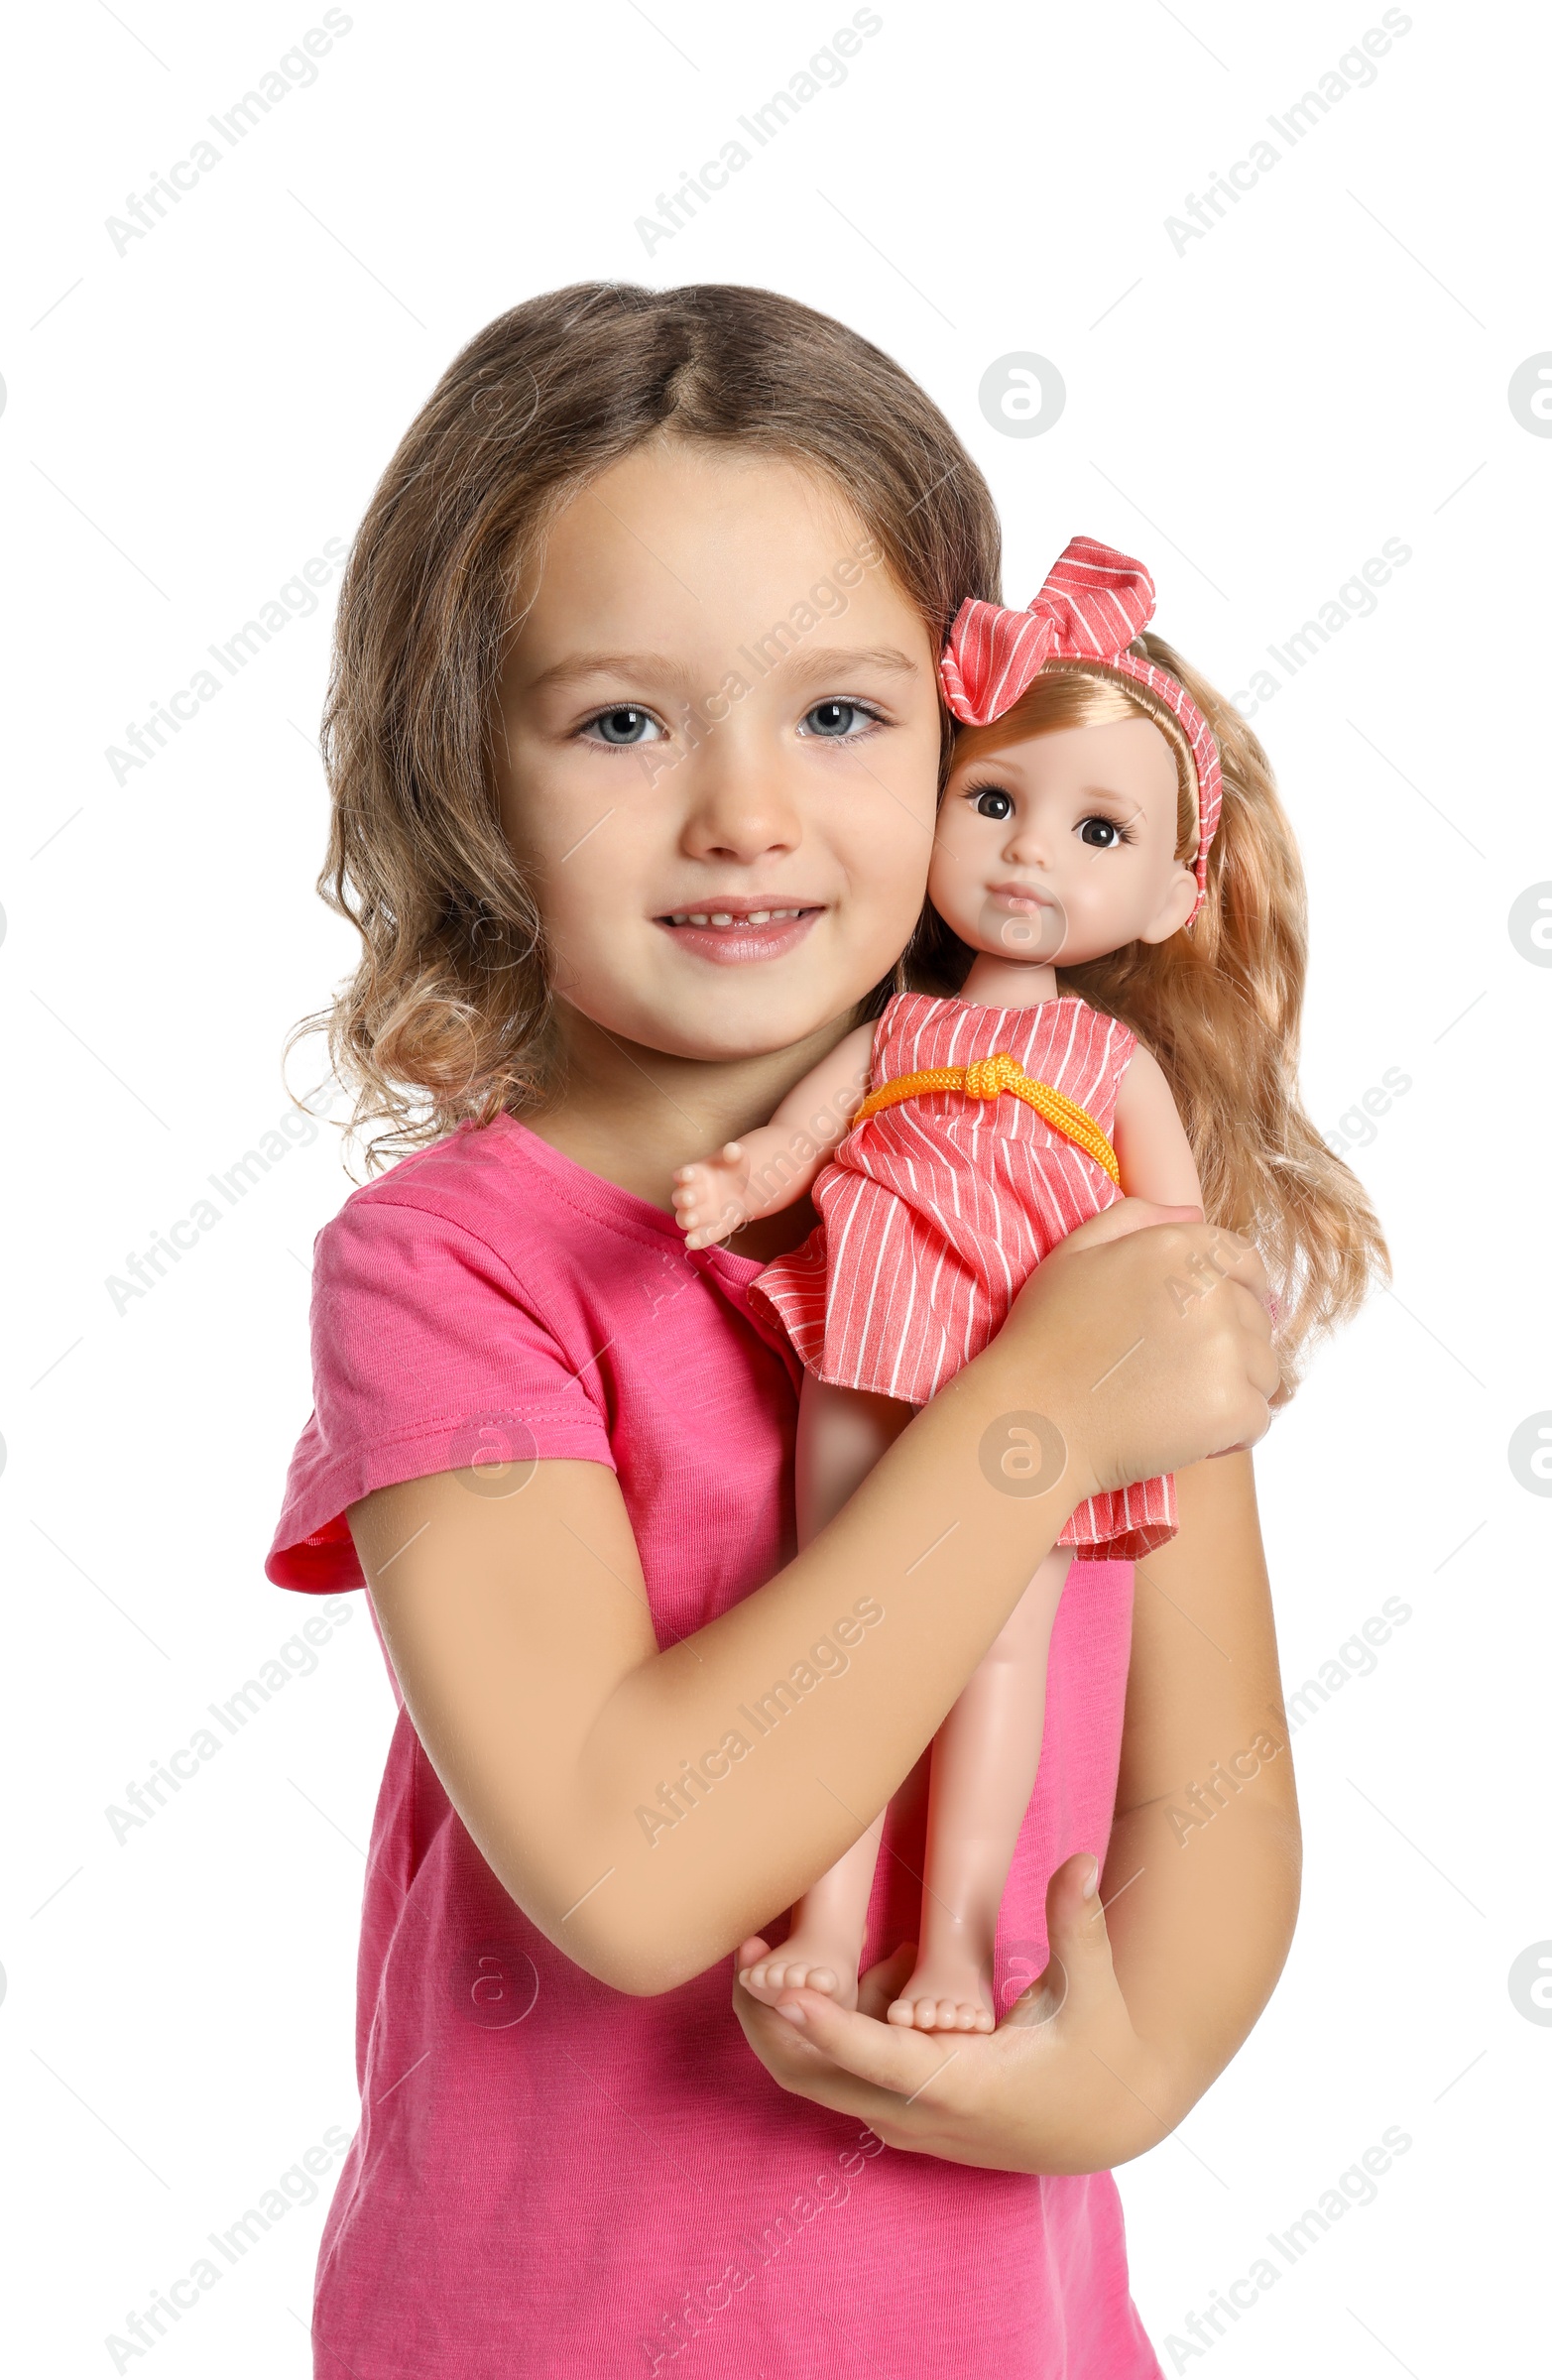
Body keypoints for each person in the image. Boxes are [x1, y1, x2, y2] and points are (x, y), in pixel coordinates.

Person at [267, 281, 1284, 2379]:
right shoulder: (451, 1271)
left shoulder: (1086, 1220)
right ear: (464, 770)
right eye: (623, 721)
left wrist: (1114, 2084)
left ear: (966, 744)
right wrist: (1025, 1421)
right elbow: (634, 1869)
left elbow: (1218, 1807)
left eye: (837, 716)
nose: (743, 814)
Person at [672, 536, 1384, 2034]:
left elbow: (1173, 1257)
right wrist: (749, 1180)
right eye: (992, 803)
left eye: (1097, 833)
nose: (1026, 857)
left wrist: (1213, 1347)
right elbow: (806, 1136)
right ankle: (825, 1914)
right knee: (836, 1612)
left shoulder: (1112, 1064)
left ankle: (950, 1946)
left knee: (997, 1656)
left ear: (1177, 898)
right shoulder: (903, 1032)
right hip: (872, 1336)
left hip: (1040, 1388)